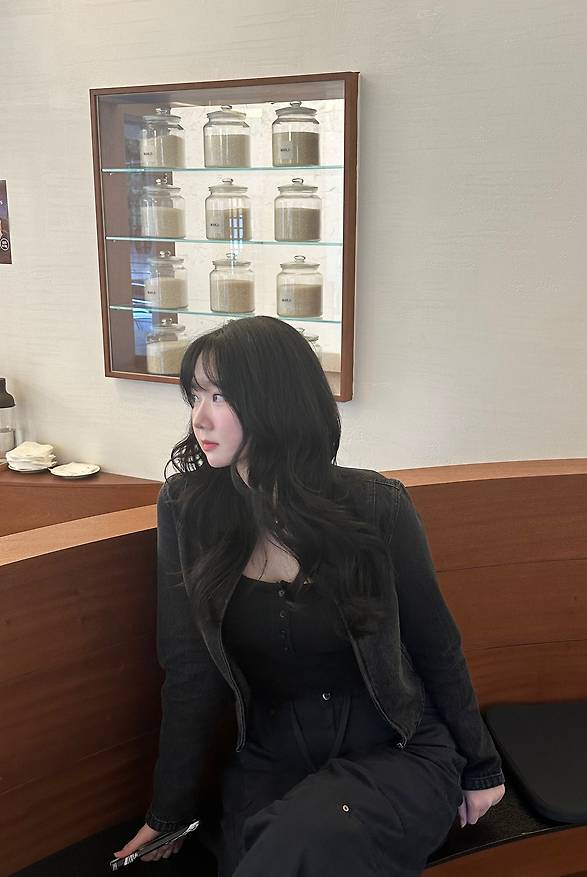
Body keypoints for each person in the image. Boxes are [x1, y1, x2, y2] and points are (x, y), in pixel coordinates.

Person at [114, 316, 505, 875]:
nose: (199, 417)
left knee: (303, 841)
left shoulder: (377, 505)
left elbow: (435, 643)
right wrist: (170, 808)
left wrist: (482, 767)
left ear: (275, 400)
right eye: (195, 395)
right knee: (264, 852)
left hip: (393, 747)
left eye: (220, 396)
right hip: (273, 757)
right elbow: (189, 669)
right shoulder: (187, 507)